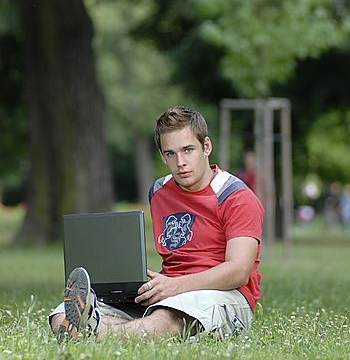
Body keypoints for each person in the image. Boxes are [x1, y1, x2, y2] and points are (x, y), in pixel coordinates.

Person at [49, 106, 264, 341]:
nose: (180, 162)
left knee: (164, 320)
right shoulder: (160, 191)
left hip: (225, 295)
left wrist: (176, 286)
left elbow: (239, 272)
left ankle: (94, 332)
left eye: (188, 150)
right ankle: (110, 329)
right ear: (162, 156)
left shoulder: (236, 196)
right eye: (170, 153)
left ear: (206, 147)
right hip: (169, 293)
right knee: (60, 315)